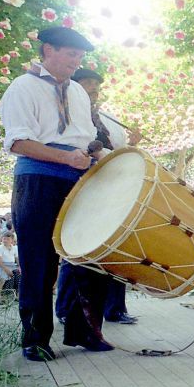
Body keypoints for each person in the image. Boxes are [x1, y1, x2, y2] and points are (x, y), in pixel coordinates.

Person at [0, 26, 112, 361]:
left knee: (89, 255)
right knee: (39, 261)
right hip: (38, 179)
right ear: (48, 50)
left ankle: (84, 331)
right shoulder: (23, 87)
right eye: (71, 54)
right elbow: (18, 141)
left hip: (78, 178)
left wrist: (101, 156)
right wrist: (65, 157)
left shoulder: (77, 91)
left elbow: (85, 136)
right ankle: (35, 339)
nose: (76, 62)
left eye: (80, 57)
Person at [55, 68, 142, 325]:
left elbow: (118, 154)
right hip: (79, 186)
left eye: (95, 84)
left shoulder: (109, 119)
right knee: (77, 248)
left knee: (115, 245)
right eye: (87, 83)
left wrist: (133, 146)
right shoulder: (66, 111)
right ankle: (65, 309)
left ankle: (114, 309)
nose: (93, 88)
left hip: (108, 188)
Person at [0, 231, 19, 303]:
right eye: (4, 239)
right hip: (3, 265)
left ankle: (18, 294)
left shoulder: (14, 248)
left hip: (12, 265)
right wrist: (7, 270)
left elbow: (17, 259)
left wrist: (19, 267)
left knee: (20, 275)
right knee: (2, 277)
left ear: (12, 240)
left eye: (8, 239)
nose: (5, 241)